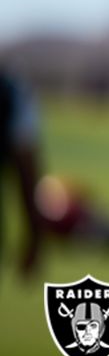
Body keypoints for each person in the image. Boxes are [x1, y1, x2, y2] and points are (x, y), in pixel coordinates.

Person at [0, 69, 44, 287]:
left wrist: (34, 238)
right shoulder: (11, 90)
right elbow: (27, 170)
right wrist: (34, 238)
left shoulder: (11, 91)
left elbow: (27, 170)